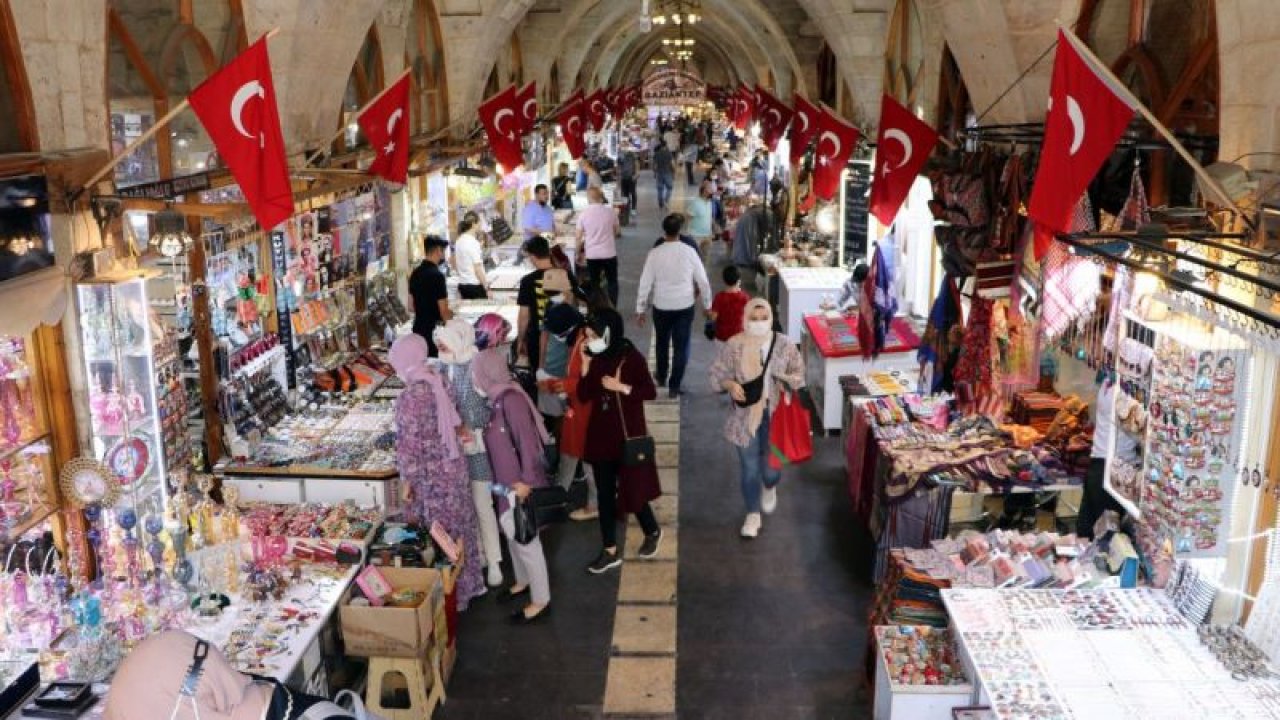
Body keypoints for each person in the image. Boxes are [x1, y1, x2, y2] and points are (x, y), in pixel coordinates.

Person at [389, 333, 485, 607]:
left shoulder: (410, 397)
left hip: (430, 479)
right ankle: (465, 589)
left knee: (436, 534)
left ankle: (446, 599)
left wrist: (406, 483)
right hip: (453, 468)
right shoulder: (438, 379)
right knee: (458, 530)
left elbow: (408, 446)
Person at [472, 340, 555, 624]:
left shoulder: (511, 400)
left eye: (476, 372)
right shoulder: (495, 398)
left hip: (518, 483)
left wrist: (526, 482)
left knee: (527, 540)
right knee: (513, 534)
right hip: (504, 483)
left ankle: (541, 599)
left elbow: (528, 443)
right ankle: (522, 581)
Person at [708, 299, 806, 538]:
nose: (759, 323)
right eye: (754, 318)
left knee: (772, 470)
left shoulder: (783, 344)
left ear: (771, 318)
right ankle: (752, 514)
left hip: (777, 418)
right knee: (749, 468)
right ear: (746, 318)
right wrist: (729, 384)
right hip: (744, 419)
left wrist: (785, 379)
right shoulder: (734, 345)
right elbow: (716, 375)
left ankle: (770, 486)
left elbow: (800, 375)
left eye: (764, 318)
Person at [577, 309, 663, 573]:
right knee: (605, 494)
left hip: (627, 435)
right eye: (587, 336)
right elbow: (583, 395)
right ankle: (609, 549)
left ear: (608, 332)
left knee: (632, 489)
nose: (590, 341)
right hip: (601, 435)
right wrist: (585, 365)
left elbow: (649, 391)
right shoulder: (595, 356)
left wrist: (621, 388)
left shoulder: (630, 357)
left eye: (593, 335)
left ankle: (651, 529)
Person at [434, 319, 505, 587]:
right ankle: (480, 556)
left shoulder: (476, 368)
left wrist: (469, 423)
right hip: (455, 452)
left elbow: (492, 407)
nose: (441, 349)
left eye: (444, 344)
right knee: (466, 508)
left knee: (482, 505)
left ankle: (495, 561)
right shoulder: (443, 366)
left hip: (478, 450)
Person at [637, 214, 712, 398]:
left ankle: (661, 376)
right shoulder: (689, 252)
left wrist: (640, 309)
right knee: (681, 345)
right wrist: (707, 304)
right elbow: (703, 281)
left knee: (661, 343)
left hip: (661, 305)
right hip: (684, 306)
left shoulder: (655, 253)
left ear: (664, 230)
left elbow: (645, 282)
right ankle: (674, 385)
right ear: (680, 230)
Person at [543, 304, 598, 520]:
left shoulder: (586, 343)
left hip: (586, 410)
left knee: (587, 458)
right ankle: (558, 496)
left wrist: (556, 385)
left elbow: (587, 382)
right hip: (577, 409)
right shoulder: (578, 338)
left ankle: (594, 504)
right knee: (571, 454)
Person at [1078, 377, 1139, 538]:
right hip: (1115, 469)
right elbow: (1137, 427)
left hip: (1098, 463)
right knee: (1108, 539)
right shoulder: (1126, 393)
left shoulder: (1107, 383)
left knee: (1088, 531)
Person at [517, 235, 577, 371]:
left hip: (535, 338)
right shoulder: (565, 275)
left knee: (537, 375)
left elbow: (524, 316)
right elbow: (573, 304)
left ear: (532, 257)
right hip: (563, 336)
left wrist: (520, 339)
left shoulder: (527, 281)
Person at [576, 187, 622, 308]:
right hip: (609, 253)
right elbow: (617, 232)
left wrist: (576, 254)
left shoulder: (583, 214)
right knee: (612, 281)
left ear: (589, 198)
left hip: (592, 254)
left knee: (594, 282)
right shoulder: (610, 212)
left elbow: (578, 237)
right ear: (600, 197)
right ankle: (613, 306)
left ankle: (596, 307)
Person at [409, 235, 452, 356]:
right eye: (443, 251)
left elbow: (410, 307)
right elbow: (443, 311)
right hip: (434, 332)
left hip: (418, 329)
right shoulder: (437, 276)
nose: (443, 254)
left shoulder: (415, 273)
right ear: (438, 250)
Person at [710, 265, 750, 343]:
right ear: (739, 281)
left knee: (722, 355)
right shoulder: (745, 297)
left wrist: (707, 314)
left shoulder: (719, 297)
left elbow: (713, 317)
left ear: (724, 280)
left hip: (722, 336)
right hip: (739, 336)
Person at [452, 214, 488, 300]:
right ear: (473, 224)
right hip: (474, 286)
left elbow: (454, 262)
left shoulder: (459, 241)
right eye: (479, 222)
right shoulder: (473, 242)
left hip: (463, 285)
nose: (480, 225)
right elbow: (477, 268)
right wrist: (487, 287)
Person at [686, 180, 716, 262]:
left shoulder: (709, 202)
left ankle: (702, 273)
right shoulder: (695, 203)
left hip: (707, 235)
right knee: (694, 259)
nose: (712, 191)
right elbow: (688, 217)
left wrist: (714, 228)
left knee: (706, 258)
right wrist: (689, 233)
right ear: (704, 191)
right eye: (710, 189)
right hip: (696, 236)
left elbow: (709, 217)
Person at [653, 142, 675, 210]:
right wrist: (674, 172)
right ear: (665, 146)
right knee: (669, 188)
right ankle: (666, 200)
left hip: (659, 173)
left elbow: (655, 166)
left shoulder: (656, 154)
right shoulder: (669, 153)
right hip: (668, 173)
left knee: (660, 189)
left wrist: (655, 173)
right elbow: (672, 164)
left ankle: (660, 203)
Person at [618, 149, 638, 220]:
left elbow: (636, 166)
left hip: (630, 178)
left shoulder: (632, 157)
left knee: (632, 193)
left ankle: (633, 209)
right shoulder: (620, 158)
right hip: (625, 178)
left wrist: (635, 175)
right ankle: (628, 208)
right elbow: (619, 169)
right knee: (626, 194)